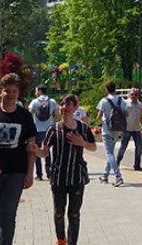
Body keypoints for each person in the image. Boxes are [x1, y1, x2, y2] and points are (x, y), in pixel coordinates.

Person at [0, 73, 37, 245]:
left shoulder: (24, 115)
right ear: (0, 92)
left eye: (14, 91)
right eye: (7, 91)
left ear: (18, 93)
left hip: (16, 171)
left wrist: (30, 173)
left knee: (8, 214)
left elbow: (31, 145)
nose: (10, 94)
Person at [33, 94, 96, 245]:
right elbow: (44, 152)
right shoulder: (53, 129)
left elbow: (93, 147)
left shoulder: (83, 128)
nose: (63, 107)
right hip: (59, 177)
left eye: (67, 104)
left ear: (75, 107)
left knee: (74, 214)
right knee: (59, 212)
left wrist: (82, 143)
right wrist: (34, 149)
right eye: (62, 104)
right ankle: (61, 240)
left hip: (76, 177)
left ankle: (72, 242)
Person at [96, 81, 128, 186]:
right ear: (115, 88)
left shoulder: (104, 101)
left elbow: (99, 117)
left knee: (109, 154)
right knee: (111, 154)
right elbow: (126, 114)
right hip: (117, 130)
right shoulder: (121, 100)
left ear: (106, 89)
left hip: (107, 130)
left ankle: (118, 176)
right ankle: (105, 176)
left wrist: (104, 122)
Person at [29, 85, 58, 180]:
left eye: (36, 91)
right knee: (47, 149)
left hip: (37, 129)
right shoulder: (52, 101)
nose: (35, 93)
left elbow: (29, 113)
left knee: (37, 150)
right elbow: (56, 114)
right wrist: (55, 125)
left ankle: (39, 174)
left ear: (40, 91)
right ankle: (49, 169)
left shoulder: (34, 101)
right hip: (49, 129)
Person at [116, 88, 142, 171]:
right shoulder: (125, 103)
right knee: (123, 147)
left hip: (136, 129)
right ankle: (117, 162)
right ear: (129, 95)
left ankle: (137, 165)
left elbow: (141, 117)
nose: (134, 96)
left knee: (139, 148)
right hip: (127, 129)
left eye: (136, 94)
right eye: (132, 94)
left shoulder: (139, 105)